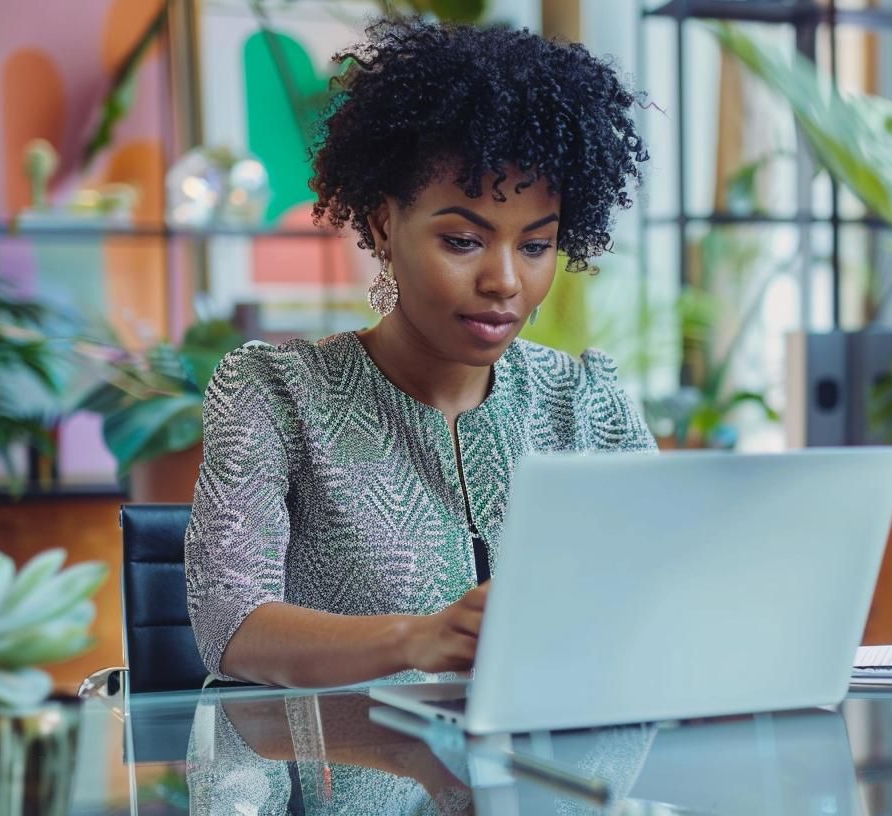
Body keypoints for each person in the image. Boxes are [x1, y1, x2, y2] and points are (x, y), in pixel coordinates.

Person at [184, 18, 654, 689]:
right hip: (346, 780)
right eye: (463, 240)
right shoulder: (277, 394)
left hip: (555, 782)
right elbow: (231, 626)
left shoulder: (585, 403)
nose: (505, 282)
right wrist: (418, 637)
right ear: (383, 225)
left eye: (535, 245)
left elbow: (662, 600)